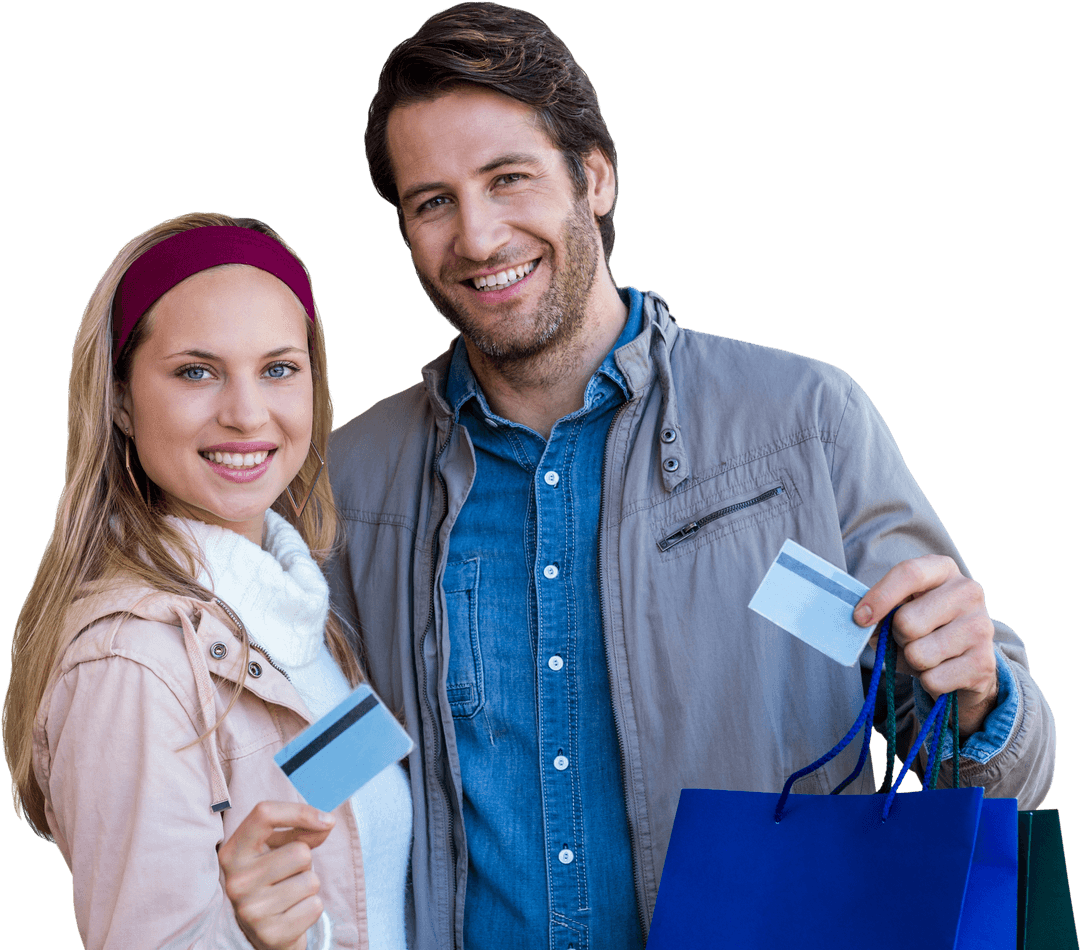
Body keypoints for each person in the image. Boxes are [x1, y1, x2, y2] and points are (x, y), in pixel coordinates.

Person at [327, 4, 1057, 949]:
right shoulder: (348, 485)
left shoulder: (806, 422)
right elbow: (321, 769)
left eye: (508, 179)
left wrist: (979, 696)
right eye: (432, 202)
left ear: (593, 175)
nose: (476, 236)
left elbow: (1001, 772)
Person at [2, 213, 410, 950]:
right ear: (121, 401)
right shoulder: (132, 662)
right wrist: (248, 936)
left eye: (278, 369)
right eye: (196, 371)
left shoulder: (300, 615)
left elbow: (357, 851)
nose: (246, 414)